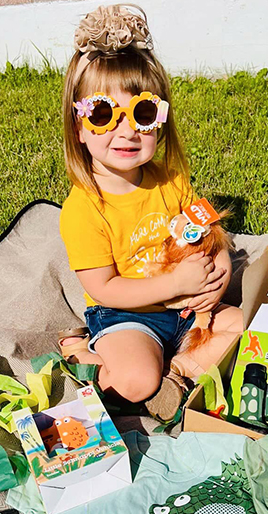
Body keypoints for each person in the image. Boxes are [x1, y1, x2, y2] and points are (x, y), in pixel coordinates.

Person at [59, 3, 243, 420]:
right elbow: (106, 288)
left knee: (244, 325)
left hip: (185, 311)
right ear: (79, 129)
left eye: (142, 113)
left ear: (159, 123)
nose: (126, 130)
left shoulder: (171, 181)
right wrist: (176, 282)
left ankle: (177, 375)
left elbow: (209, 232)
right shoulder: (83, 209)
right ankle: (87, 351)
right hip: (127, 317)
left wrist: (220, 276)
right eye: (104, 114)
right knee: (137, 379)